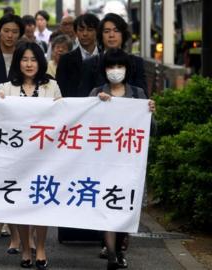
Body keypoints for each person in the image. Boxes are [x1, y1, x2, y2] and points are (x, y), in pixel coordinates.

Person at [0, 42, 61, 270]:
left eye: (33, 59)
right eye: (24, 59)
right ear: (17, 62)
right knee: (21, 203)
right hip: (16, 158)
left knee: (41, 201)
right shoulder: (4, 87)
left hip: (45, 155)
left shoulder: (51, 86)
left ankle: (40, 248)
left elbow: (64, 117)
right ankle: (25, 248)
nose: (29, 64)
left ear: (40, 61)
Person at [88, 48, 155, 270]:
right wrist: (97, 105)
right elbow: (84, 125)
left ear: (127, 69)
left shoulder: (137, 94)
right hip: (104, 163)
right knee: (108, 206)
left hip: (130, 164)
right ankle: (112, 255)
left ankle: (120, 249)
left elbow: (151, 130)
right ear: (104, 69)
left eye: (120, 66)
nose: (115, 71)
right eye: (111, 66)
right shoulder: (96, 92)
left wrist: (150, 113)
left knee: (126, 207)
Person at [78, 13, 147, 97]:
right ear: (101, 36)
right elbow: (83, 98)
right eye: (106, 31)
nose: (111, 35)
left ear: (123, 34)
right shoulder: (90, 64)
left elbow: (143, 99)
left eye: (116, 31)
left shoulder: (136, 62)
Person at [56, 13, 100, 97]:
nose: (85, 34)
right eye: (81, 30)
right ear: (76, 32)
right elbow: (61, 89)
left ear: (97, 32)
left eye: (90, 29)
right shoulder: (66, 60)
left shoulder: (104, 56)